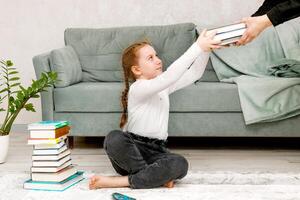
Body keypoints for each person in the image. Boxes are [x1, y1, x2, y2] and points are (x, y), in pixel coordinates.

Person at [89, 30, 221, 189]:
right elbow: (169, 77)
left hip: (157, 152)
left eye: (157, 55)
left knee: (180, 163)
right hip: (133, 150)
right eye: (150, 58)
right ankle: (152, 177)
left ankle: (125, 181)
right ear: (137, 70)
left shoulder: (163, 86)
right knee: (114, 138)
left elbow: (194, 73)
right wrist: (197, 47)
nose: (158, 60)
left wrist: (206, 50)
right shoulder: (138, 88)